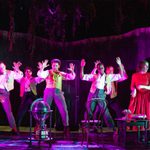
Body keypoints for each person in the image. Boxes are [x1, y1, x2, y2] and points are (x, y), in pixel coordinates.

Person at [80, 57, 127, 132]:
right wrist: (82, 66)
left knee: (105, 111)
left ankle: (112, 128)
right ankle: (86, 127)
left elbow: (121, 75)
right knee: (89, 110)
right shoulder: (94, 76)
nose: (100, 69)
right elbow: (82, 77)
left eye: (101, 68)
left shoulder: (108, 77)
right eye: (99, 68)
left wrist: (120, 64)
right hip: (93, 93)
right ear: (97, 69)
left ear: (104, 68)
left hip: (101, 94)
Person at [37, 59, 76, 137]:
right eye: (53, 65)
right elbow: (40, 75)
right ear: (51, 65)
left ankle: (66, 127)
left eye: (56, 65)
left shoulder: (60, 73)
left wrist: (72, 71)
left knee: (64, 109)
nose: (55, 66)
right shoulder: (48, 72)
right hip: (48, 91)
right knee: (44, 110)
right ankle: (41, 127)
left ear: (59, 66)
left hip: (58, 91)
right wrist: (42, 68)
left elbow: (71, 77)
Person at [16, 67, 44, 132]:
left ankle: (38, 127)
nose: (28, 73)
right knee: (21, 112)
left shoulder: (34, 79)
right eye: (26, 71)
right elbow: (16, 77)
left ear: (31, 73)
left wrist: (41, 69)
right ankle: (16, 127)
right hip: (25, 95)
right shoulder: (21, 79)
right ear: (25, 72)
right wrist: (17, 70)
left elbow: (42, 78)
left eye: (29, 71)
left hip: (32, 95)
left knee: (35, 112)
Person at [0, 61, 23, 134]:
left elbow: (19, 76)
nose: (1, 69)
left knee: (8, 111)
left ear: (5, 66)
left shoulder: (10, 73)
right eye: (0, 68)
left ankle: (14, 128)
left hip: (4, 93)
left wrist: (17, 69)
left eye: (2, 67)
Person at [128, 60, 150, 128]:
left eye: (147, 66)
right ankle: (136, 128)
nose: (147, 68)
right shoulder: (135, 75)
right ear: (142, 66)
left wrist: (142, 86)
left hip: (147, 96)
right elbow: (132, 86)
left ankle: (148, 129)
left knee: (148, 112)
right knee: (135, 111)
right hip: (138, 96)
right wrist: (134, 89)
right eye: (146, 66)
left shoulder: (149, 75)